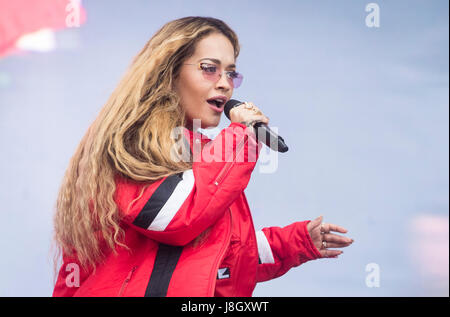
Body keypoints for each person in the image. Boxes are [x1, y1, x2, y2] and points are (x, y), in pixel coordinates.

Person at [52, 16, 353, 297]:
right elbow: (175, 217)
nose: (225, 83)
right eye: (210, 68)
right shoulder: (132, 141)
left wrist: (296, 242)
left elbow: (221, 252)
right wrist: (241, 135)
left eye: (231, 73)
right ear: (168, 73)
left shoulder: (204, 154)